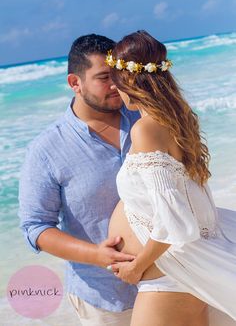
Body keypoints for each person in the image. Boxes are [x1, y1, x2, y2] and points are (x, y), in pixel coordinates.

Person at [106, 30, 236, 326]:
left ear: (128, 81)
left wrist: (135, 267)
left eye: (116, 82)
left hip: (168, 277)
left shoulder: (145, 129)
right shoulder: (178, 120)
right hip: (181, 273)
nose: (117, 90)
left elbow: (175, 221)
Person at [18, 34, 140, 326]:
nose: (116, 85)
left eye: (119, 75)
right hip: (107, 298)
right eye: (104, 77)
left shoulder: (143, 118)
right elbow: (36, 228)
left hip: (171, 279)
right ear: (75, 83)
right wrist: (97, 255)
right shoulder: (46, 150)